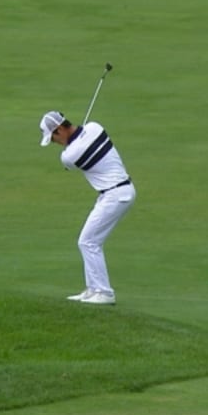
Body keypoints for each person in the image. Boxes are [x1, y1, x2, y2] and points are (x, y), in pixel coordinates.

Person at [39, 111, 136, 305]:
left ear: (60, 129)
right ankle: (93, 289)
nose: (55, 142)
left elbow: (70, 161)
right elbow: (84, 137)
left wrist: (73, 144)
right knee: (89, 241)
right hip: (118, 192)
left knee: (88, 242)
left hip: (115, 195)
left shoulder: (69, 156)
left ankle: (104, 292)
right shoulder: (95, 127)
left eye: (54, 138)